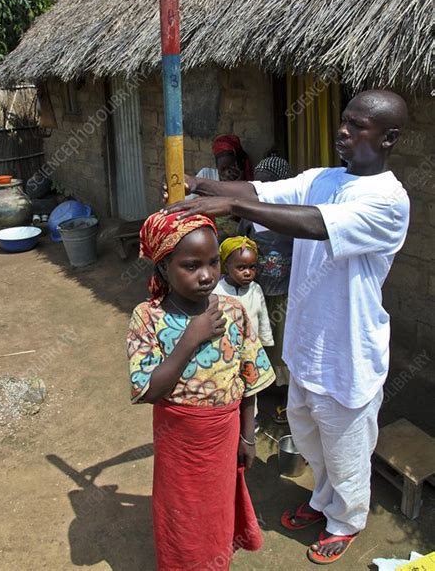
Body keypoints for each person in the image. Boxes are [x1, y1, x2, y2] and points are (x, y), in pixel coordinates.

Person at [162, 90, 410, 565]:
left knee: (346, 446)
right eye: (344, 121)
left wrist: (227, 210)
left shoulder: (388, 202)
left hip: (348, 351)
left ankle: (348, 519)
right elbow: (257, 192)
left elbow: (314, 223)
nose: (343, 131)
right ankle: (322, 501)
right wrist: (195, 186)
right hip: (307, 341)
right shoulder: (324, 178)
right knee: (309, 432)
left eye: (358, 125)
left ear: (389, 138)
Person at [127, 210, 275, 570]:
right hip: (177, 439)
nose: (207, 275)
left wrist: (248, 436)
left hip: (223, 435)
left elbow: (249, 378)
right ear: (163, 268)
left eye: (212, 263)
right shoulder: (148, 318)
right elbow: (147, 390)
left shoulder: (234, 311)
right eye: (191, 265)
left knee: (217, 510)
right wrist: (190, 339)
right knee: (181, 513)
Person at [238, 155, 294, 423]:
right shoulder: (250, 217)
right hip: (256, 294)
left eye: (269, 185)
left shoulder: (294, 218)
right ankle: (258, 396)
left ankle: (285, 398)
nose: (263, 191)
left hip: (285, 295)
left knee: (283, 345)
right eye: (258, 185)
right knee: (257, 342)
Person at [214, 235, 275, 434]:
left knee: (251, 385)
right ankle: (227, 419)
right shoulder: (216, 292)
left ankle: (250, 421)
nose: (248, 272)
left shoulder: (256, 289)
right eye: (241, 267)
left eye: (252, 267)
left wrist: (264, 343)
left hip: (251, 350)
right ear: (225, 266)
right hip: (226, 352)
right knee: (227, 384)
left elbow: (263, 316)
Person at [192, 134, 253, 240]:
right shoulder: (206, 175)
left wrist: (236, 185)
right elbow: (189, 202)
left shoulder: (245, 185)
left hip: (229, 231)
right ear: (216, 166)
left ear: (239, 164)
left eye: (232, 167)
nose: (227, 172)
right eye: (223, 169)